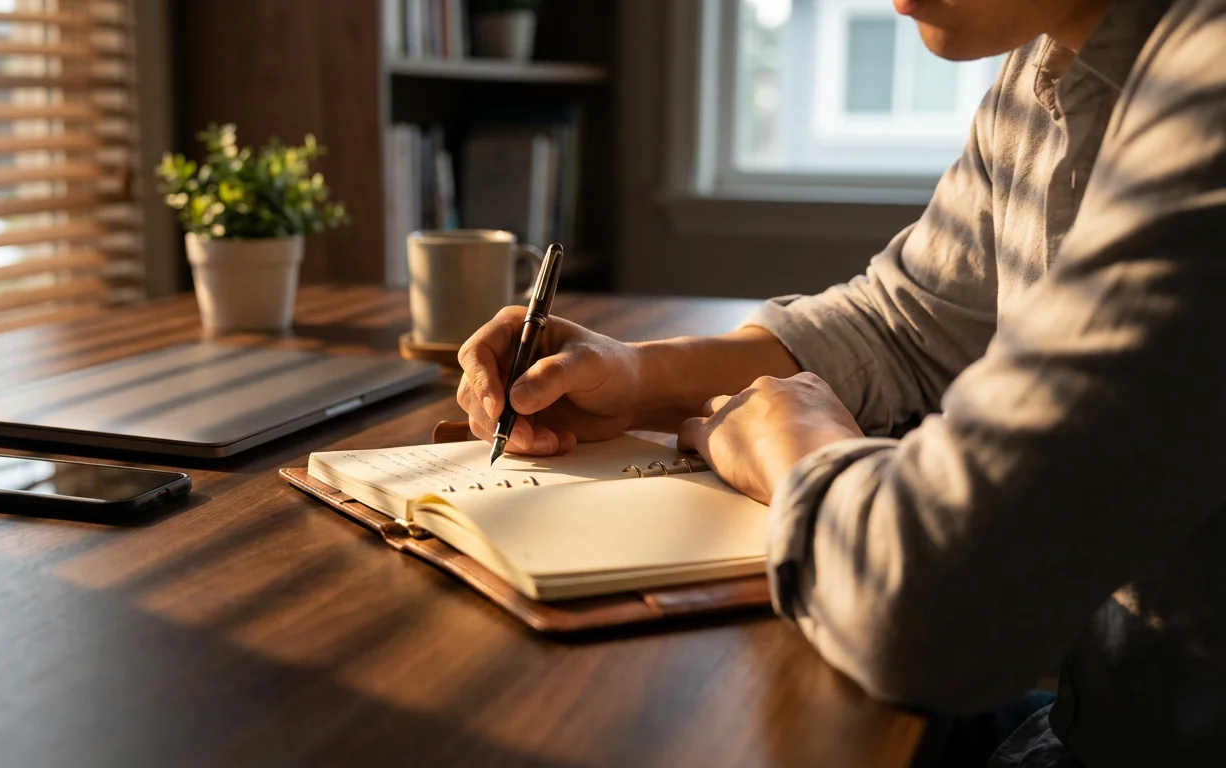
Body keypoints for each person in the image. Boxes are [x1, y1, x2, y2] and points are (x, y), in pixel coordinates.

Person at [455, 0, 1226, 765]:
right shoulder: (1044, 68)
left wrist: (799, 449)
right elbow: (904, 324)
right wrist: (638, 376)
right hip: (1089, 711)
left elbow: (931, 609)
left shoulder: (1207, 97)